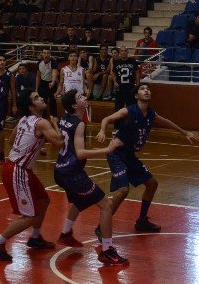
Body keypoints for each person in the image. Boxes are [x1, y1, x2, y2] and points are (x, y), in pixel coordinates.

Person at [96, 83, 199, 234]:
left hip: (129, 155)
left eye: (148, 89)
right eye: (143, 89)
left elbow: (166, 122)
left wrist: (184, 132)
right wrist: (102, 131)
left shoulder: (151, 114)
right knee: (124, 189)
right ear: (136, 96)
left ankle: (142, 221)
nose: (146, 90)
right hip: (116, 154)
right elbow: (106, 119)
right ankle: (101, 226)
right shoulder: (128, 110)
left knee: (152, 184)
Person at [0, 89, 63, 262]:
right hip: (17, 170)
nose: (41, 98)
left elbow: (13, 141)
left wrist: (36, 147)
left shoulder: (23, 120)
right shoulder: (42, 123)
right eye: (37, 97)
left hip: (18, 168)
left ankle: (35, 238)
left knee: (43, 200)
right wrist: (56, 123)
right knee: (31, 216)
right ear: (31, 107)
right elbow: (58, 142)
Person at [54, 89, 128, 265]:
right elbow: (80, 153)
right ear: (74, 105)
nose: (84, 97)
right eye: (80, 97)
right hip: (72, 173)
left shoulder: (65, 118)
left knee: (81, 201)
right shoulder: (79, 123)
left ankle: (66, 233)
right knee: (106, 205)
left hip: (60, 171)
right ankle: (107, 251)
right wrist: (108, 149)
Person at [110, 46, 139, 120]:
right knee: (118, 108)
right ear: (120, 53)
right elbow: (113, 73)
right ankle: (117, 127)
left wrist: (137, 85)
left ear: (127, 52)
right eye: (122, 51)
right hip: (120, 88)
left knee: (132, 108)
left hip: (130, 88)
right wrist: (115, 81)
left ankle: (133, 125)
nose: (124, 52)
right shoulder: (117, 62)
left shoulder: (132, 61)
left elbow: (137, 73)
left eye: (125, 51)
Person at [36, 48, 58, 118]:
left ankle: (54, 117)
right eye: (44, 53)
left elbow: (54, 73)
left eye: (48, 53)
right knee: (42, 101)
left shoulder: (53, 62)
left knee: (52, 101)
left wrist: (53, 82)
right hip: (42, 83)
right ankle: (42, 117)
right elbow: (38, 76)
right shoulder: (39, 63)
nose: (46, 55)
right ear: (42, 54)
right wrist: (36, 89)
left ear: (50, 54)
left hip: (51, 83)